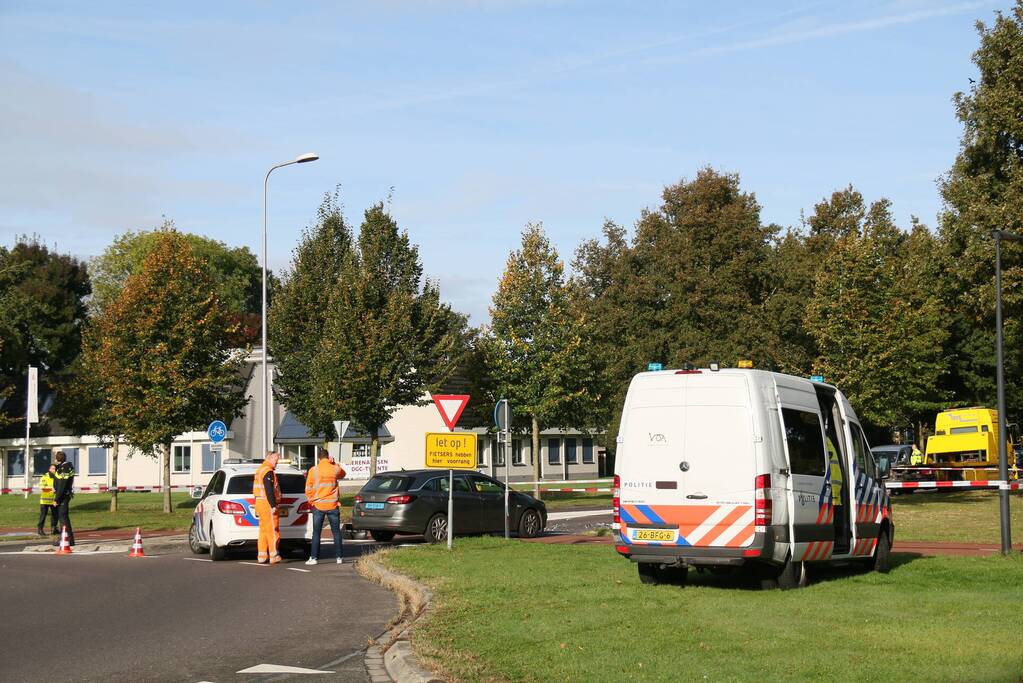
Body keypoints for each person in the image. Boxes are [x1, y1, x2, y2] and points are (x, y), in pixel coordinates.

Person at [305, 448, 347, 565]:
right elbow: (343, 474)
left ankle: (314, 558)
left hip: (318, 505)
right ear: (328, 457)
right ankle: (339, 557)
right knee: (336, 532)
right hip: (333, 505)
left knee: (316, 533)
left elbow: (308, 488)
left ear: (319, 458)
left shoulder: (313, 470)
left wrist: (311, 501)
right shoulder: (334, 468)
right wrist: (334, 463)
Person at [253, 451, 282, 564]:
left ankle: (262, 556)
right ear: (270, 458)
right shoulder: (267, 471)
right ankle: (274, 555)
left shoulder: (260, 469)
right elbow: (269, 489)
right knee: (272, 530)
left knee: (263, 531)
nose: (277, 462)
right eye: (276, 460)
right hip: (267, 504)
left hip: (260, 503)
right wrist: (273, 505)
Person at [51, 451, 75, 546]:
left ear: (57, 459)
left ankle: (65, 539)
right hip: (65, 494)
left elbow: (62, 485)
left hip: (63, 496)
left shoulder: (64, 469)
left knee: (63, 518)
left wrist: (56, 499)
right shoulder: (65, 467)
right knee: (64, 517)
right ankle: (69, 540)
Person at [37, 464, 58, 536]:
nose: (54, 470)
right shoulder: (45, 477)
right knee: (43, 515)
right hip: (45, 500)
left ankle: (54, 529)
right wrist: (50, 488)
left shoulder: (57, 477)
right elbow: (41, 487)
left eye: (55, 469)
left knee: (55, 515)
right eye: (52, 469)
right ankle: (40, 529)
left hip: (53, 500)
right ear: (49, 469)